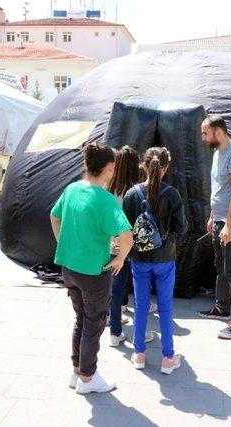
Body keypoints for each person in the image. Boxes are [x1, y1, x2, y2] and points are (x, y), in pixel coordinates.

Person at [50, 142, 133, 394]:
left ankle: (78, 371)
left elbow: (54, 216)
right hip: (94, 273)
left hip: (69, 268)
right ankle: (88, 377)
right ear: (110, 168)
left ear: (86, 165)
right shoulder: (106, 201)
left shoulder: (72, 189)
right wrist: (119, 258)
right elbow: (127, 237)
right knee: (94, 323)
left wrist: (64, 243)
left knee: (81, 319)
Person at [123, 147, 186, 374]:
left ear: (144, 166)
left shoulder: (131, 195)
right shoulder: (172, 195)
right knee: (166, 307)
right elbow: (182, 228)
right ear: (165, 167)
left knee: (140, 306)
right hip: (165, 258)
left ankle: (139, 353)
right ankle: (168, 357)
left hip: (139, 259)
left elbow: (125, 230)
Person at [198, 115, 231, 339]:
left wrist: (228, 225)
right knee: (220, 266)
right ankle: (222, 308)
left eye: (205, 133)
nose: (202, 138)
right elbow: (219, 190)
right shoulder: (217, 154)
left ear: (218, 132)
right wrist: (213, 217)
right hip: (220, 220)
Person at [106, 146, 140, 347]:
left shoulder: (109, 188)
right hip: (133, 244)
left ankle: (114, 327)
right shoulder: (136, 190)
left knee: (115, 287)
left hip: (112, 243)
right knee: (138, 285)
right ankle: (138, 332)